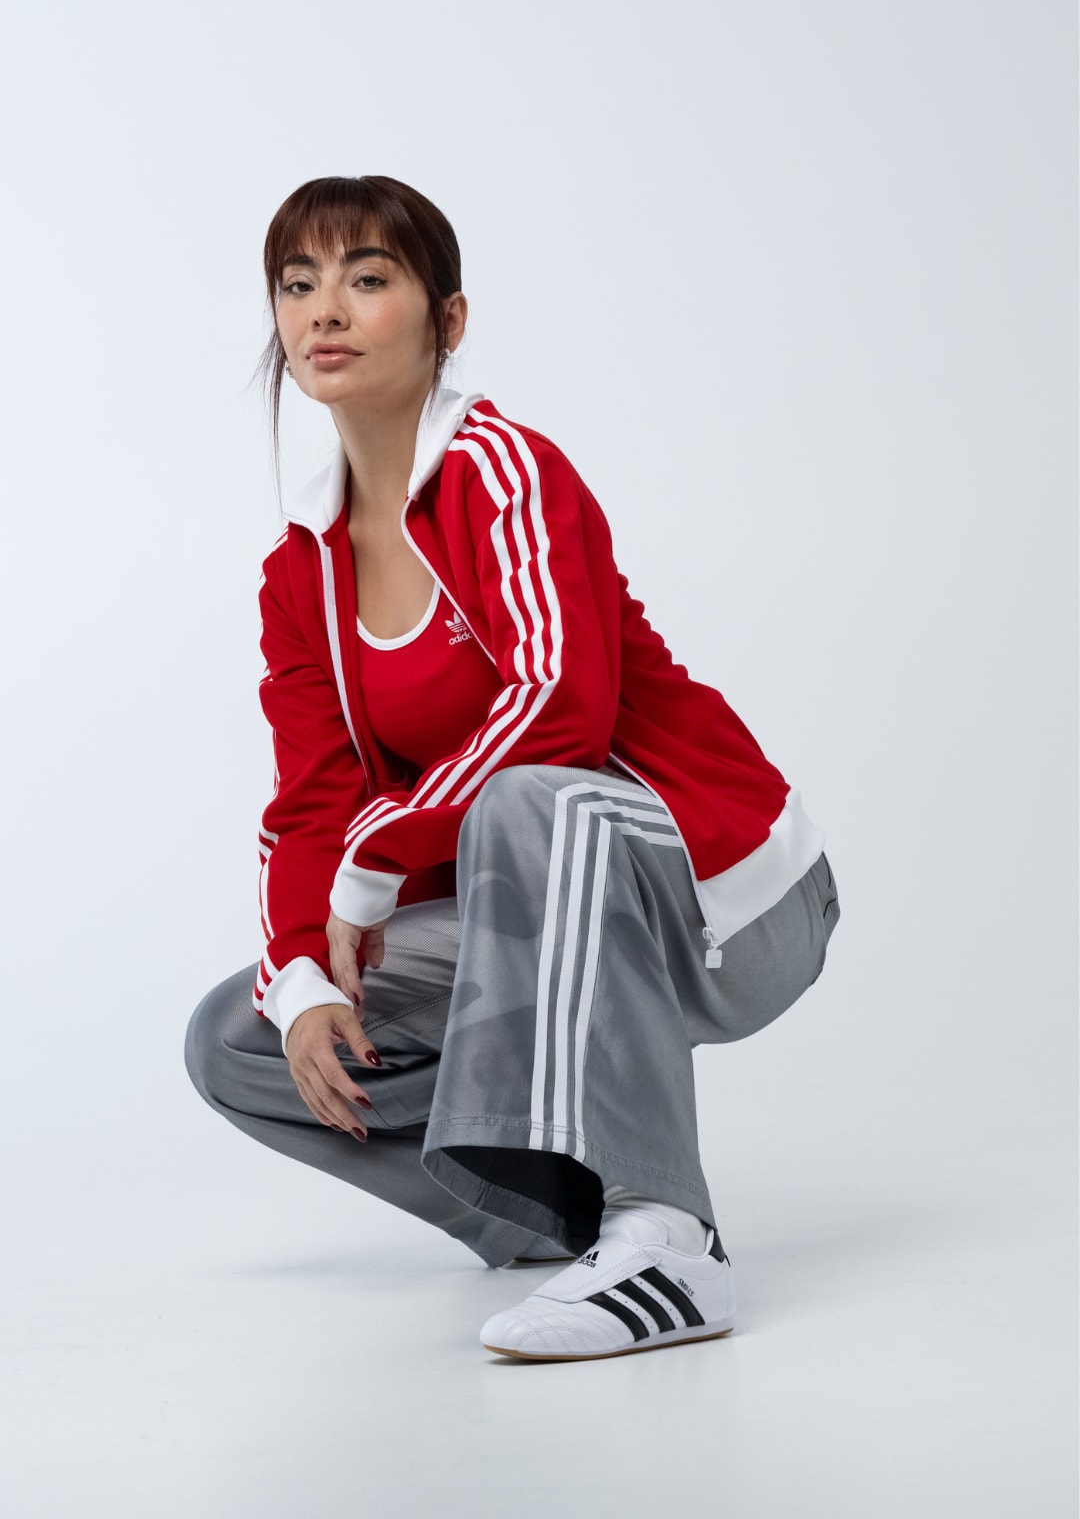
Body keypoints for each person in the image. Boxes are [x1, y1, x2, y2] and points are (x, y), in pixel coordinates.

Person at [184, 173, 841, 1364]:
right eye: (297, 283)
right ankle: (552, 1215)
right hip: (531, 913)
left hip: (719, 889)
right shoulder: (301, 570)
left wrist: (379, 861)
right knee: (239, 1033)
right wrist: (305, 980)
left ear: (449, 320)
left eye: (367, 278)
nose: (323, 308)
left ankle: (669, 1238)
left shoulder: (504, 474)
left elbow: (561, 708)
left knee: (532, 803)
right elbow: (310, 802)